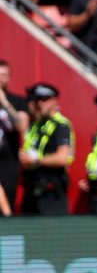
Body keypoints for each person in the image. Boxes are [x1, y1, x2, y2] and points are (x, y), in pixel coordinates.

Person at [19, 83, 74, 215]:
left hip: (51, 191)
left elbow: (62, 158)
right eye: (37, 100)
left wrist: (35, 160)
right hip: (32, 187)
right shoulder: (36, 125)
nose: (40, 104)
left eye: (44, 100)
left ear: (54, 101)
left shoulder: (61, 125)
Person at [0, 60, 29, 213]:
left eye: (3, 75)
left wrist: (4, 102)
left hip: (8, 161)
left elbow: (22, 126)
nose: (0, 78)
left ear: (9, 78)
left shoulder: (18, 101)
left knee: (7, 206)